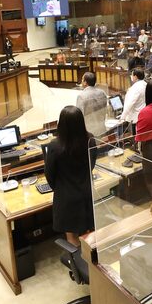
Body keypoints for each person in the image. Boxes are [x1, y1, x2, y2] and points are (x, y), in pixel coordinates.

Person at [45, 105, 97, 247]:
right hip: (87, 192)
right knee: (89, 232)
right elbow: (91, 165)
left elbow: (49, 174)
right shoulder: (90, 140)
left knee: (72, 237)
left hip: (67, 197)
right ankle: (90, 263)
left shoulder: (55, 146)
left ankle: (77, 264)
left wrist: (60, 188)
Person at [76, 72, 107, 138]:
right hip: (102, 128)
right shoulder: (102, 93)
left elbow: (79, 117)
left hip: (89, 132)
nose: (81, 82)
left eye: (82, 80)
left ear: (85, 82)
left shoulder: (81, 96)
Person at [120, 68, 147, 136]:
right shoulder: (145, 84)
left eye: (132, 75)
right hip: (143, 113)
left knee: (135, 136)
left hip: (135, 116)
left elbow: (130, 103)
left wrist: (122, 117)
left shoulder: (135, 88)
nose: (131, 76)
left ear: (135, 76)